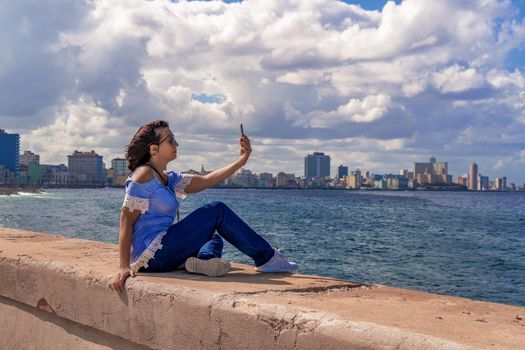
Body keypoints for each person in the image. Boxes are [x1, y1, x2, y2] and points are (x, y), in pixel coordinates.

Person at [112, 120, 297, 293]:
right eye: (171, 140)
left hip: (165, 252)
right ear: (154, 148)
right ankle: (267, 258)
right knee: (217, 210)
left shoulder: (167, 178)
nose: (176, 144)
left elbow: (207, 180)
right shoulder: (143, 174)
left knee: (213, 237)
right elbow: (125, 220)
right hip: (152, 255)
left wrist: (241, 160)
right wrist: (123, 267)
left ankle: (204, 261)